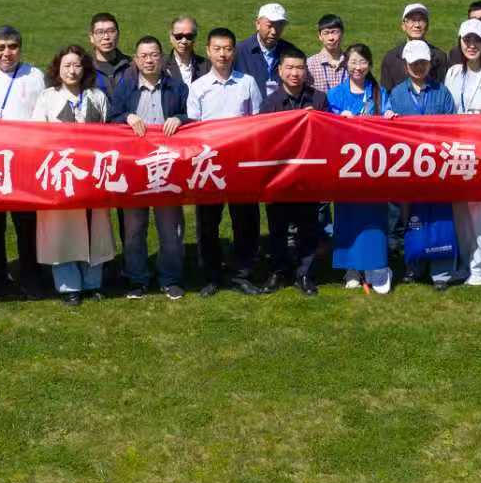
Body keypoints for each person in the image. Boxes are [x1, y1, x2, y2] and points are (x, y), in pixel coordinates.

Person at [33, 45, 117, 307]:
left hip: (92, 174)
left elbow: (110, 133)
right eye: (66, 65)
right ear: (57, 69)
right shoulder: (47, 98)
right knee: (62, 231)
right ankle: (69, 286)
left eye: (77, 65)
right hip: (62, 174)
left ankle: (93, 283)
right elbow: (37, 136)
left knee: (94, 228)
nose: (72, 70)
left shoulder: (97, 96)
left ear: (85, 68)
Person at [107, 35, 189, 300]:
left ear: (162, 57)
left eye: (154, 55)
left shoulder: (177, 88)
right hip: (134, 170)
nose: (149, 60)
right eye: (143, 56)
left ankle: (170, 279)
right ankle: (137, 279)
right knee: (133, 229)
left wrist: (180, 119)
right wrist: (126, 117)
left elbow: (193, 118)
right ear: (135, 60)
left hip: (167, 169)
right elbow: (110, 120)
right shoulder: (125, 88)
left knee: (171, 230)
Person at [185, 28, 265, 295]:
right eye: (217, 49)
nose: (223, 54)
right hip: (208, 164)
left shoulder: (247, 83)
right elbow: (193, 129)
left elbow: (257, 123)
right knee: (208, 223)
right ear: (208, 51)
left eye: (228, 49)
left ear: (234, 52)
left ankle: (243, 273)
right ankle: (211, 275)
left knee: (246, 221)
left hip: (241, 164)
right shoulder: (198, 87)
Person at [0, 26, 48, 300]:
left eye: (12, 47)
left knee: (27, 224)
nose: (7, 53)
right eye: (0, 48)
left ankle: (31, 276)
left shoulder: (35, 76)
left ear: (20, 48)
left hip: (25, 162)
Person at [386, 41, 460, 289]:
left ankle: (441, 272)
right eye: (414, 63)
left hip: (438, 166)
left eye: (423, 63)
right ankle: (414, 265)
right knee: (412, 217)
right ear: (406, 66)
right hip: (410, 166)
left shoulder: (442, 92)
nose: (419, 67)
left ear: (430, 64)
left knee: (440, 217)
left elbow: (453, 126)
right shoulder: (397, 94)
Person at [327, 44, 392, 294]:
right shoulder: (335, 94)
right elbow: (328, 128)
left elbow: (388, 125)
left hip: (374, 169)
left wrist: (390, 116)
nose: (358, 67)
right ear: (346, 64)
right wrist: (338, 120)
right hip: (347, 169)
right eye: (353, 62)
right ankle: (351, 268)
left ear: (370, 65)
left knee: (374, 219)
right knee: (348, 218)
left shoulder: (379, 93)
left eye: (363, 62)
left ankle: (376, 266)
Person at [258, 51, 324, 295]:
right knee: (278, 226)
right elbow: (264, 139)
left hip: (308, 174)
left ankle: (305, 273)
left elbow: (327, 135)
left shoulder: (318, 99)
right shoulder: (270, 103)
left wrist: (315, 121)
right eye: (289, 67)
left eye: (299, 68)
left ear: (306, 71)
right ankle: (278, 271)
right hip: (279, 175)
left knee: (308, 226)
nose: (294, 73)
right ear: (280, 71)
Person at [445, 19, 481, 285]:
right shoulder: (452, 73)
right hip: (457, 152)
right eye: (466, 40)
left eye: (477, 41)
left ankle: (480, 268)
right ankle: (463, 262)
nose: (471, 45)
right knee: (460, 213)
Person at [236, 2, 303, 98]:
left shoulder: (290, 51)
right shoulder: (239, 51)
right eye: (269, 26)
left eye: (279, 26)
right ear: (258, 24)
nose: (274, 31)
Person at [380, 3, 448, 90]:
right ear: (403, 26)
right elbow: (385, 93)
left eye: (421, 20)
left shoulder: (440, 57)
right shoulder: (391, 58)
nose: (417, 25)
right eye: (412, 20)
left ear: (427, 26)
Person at [88, 13, 130, 94]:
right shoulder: (84, 67)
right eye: (100, 32)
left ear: (118, 34)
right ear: (91, 37)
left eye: (111, 31)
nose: (106, 37)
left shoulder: (131, 65)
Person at [307, 14, 349, 95]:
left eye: (334, 32)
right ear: (320, 36)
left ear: (342, 33)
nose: (331, 38)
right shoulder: (310, 65)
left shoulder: (351, 63)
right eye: (326, 33)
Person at [164, 16, 209, 87]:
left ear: (194, 38)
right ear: (171, 37)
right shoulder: (160, 65)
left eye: (189, 37)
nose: (184, 41)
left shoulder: (207, 66)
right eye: (178, 36)